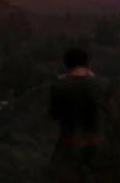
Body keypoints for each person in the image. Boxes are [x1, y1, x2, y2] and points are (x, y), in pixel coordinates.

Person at [47, 47, 105, 182]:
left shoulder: (59, 86)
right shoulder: (100, 84)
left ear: (66, 65)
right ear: (87, 64)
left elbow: (54, 114)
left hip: (70, 143)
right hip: (98, 142)